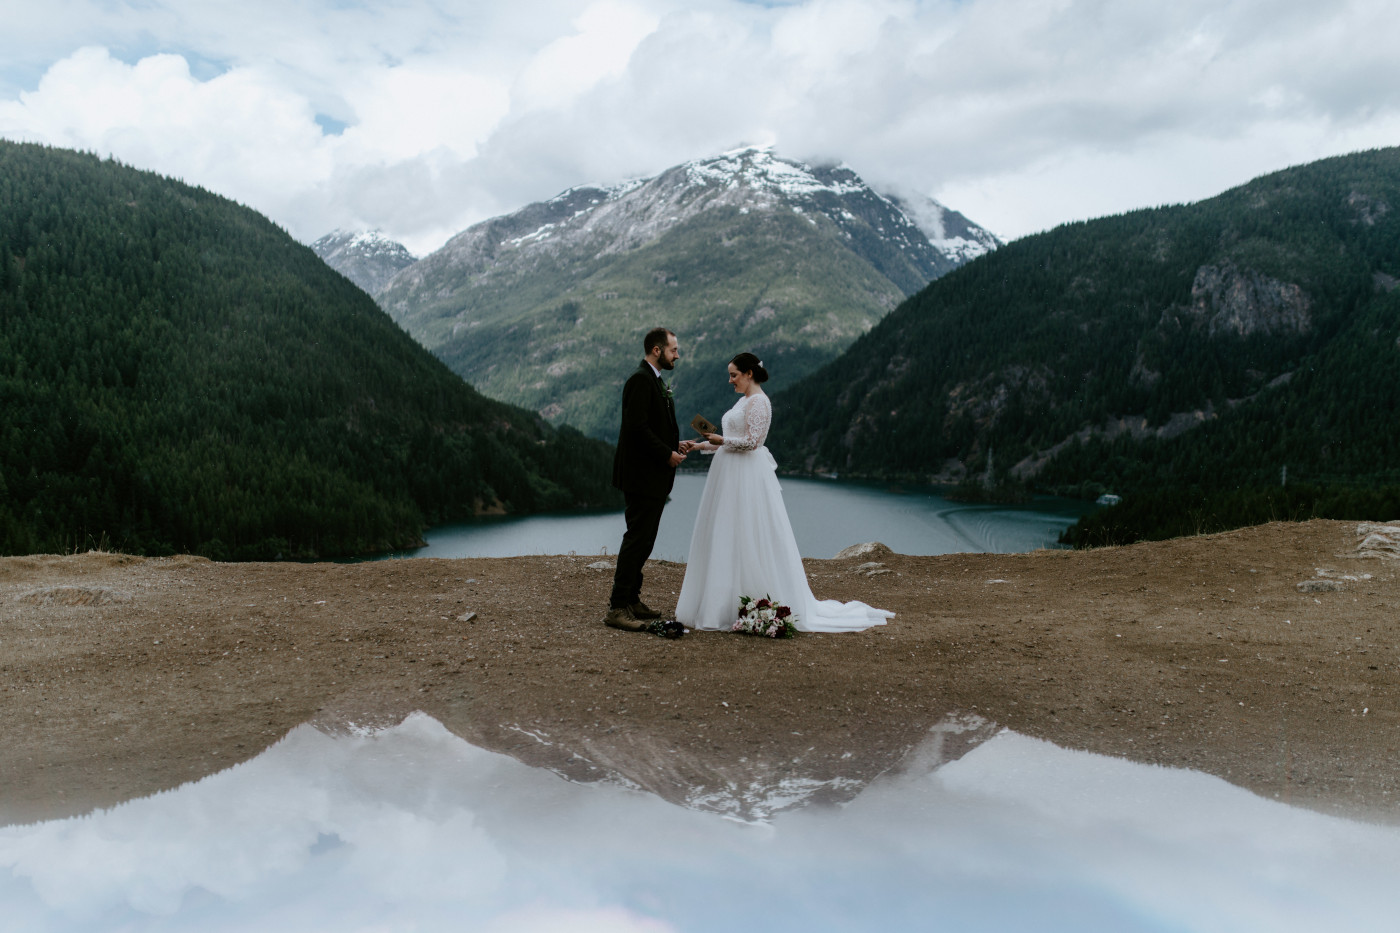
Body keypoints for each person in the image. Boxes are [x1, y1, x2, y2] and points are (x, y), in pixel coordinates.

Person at [675, 352, 892, 633]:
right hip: (728, 474)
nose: (730, 380)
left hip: (747, 476)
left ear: (749, 373)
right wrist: (698, 445)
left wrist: (722, 439)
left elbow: (754, 442)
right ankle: (722, 603)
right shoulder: (742, 400)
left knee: (749, 532)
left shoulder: (760, 402)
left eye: (734, 375)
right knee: (726, 532)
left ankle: (747, 599)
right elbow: (727, 443)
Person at [606, 327, 692, 631]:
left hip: (652, 475)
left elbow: (651, 427)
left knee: (645, 539)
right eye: (673, 350)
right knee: (637, 538)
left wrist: (673, 446)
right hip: (642, 476)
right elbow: (636, 428)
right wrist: (665, 455)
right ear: (657, 350)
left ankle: (631, 598)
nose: (677, 355)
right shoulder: (640, 380)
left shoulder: (654, 380)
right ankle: (617, 607)